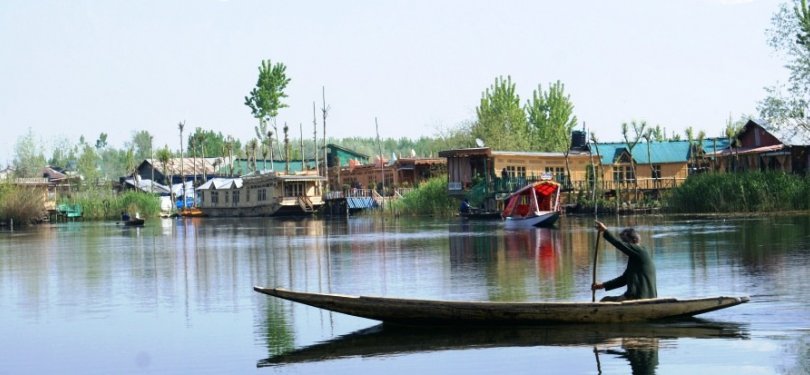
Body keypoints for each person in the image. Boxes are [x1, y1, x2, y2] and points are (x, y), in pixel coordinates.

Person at [591, 220, 657, 302]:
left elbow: (619, 244)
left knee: (605, 301)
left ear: (632, 242)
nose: (625, 245)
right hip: (640, 296)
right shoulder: (636, 257)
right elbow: (624, 279)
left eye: (625, 242)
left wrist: (605, 231)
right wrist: (602, 286)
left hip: (637, 297)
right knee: (605, 300)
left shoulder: (639, 252)